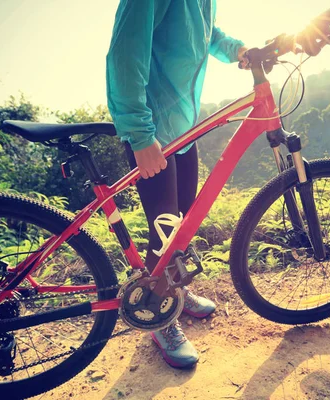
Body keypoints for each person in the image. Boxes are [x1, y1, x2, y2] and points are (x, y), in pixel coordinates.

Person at [106, 0, 248, 369]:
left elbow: (207, 34)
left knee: (183, 226)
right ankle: (157, 315)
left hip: (185, 128)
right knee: (164, 230)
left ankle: (175, 291)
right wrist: (139, 134)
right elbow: (125, 54)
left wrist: (239, 50)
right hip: (153, 132)